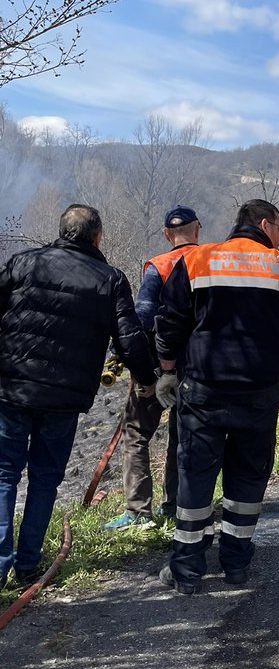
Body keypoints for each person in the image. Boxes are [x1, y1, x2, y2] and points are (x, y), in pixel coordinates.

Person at [154, 200, 279, 595]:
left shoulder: (197, 260)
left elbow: (170, 320)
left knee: (195, 476)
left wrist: (167, 371)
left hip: (203, 391)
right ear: (264, 224)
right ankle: (236, 565)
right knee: (247, 477)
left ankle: (187, 570)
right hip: (257, 394)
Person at [0, 205, 156, 589]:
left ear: (61, 231)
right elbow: (129, 338)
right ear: (97, 237)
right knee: (44, 479)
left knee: (3, 476)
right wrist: (147, 379)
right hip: (63, 400)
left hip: (12, 390)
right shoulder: (109, 279)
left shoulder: (22, 263)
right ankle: (27, 567)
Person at [104, 206, 202, 531]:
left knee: (136, 433)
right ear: (198, 230)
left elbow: (143, 317)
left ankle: (138, 512)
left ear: (166, 235)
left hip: (159, 366)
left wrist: (144, 371)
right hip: (199, 368)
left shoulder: (158, 266)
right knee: (182, 436)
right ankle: (174, 507)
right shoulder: (211, 263)